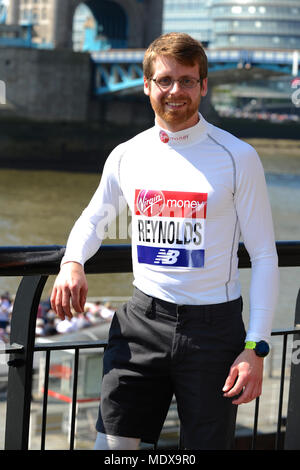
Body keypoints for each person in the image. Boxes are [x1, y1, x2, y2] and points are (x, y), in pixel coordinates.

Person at [50, 32, 279, 450]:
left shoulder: (237, 156)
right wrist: (72, 263)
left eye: (188, 81)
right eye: (165, 80)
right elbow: (93, 219)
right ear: (146, 86)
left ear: (204, 86)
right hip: (141, 322)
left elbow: (264, 255)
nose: (176, 91)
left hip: (214, 332)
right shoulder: (126, 154)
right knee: (112, 451)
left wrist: (256, 348)